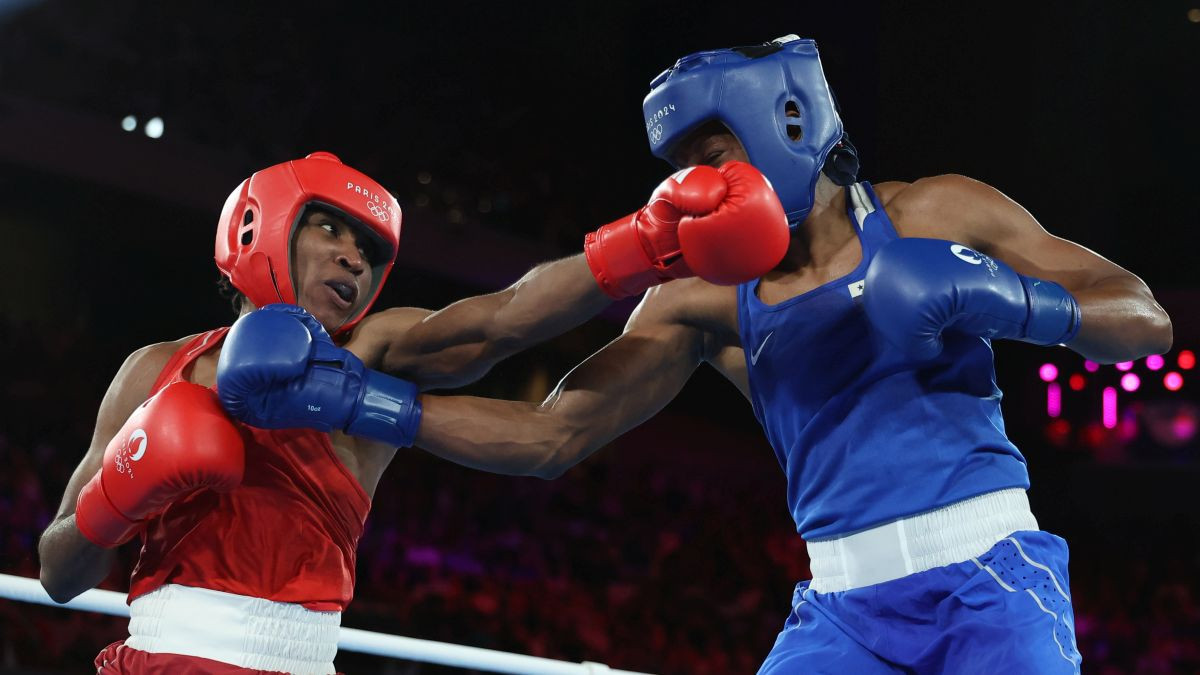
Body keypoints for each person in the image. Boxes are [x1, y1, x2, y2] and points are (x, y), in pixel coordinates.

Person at [236, 36, 1171, 673]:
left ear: (789, 123)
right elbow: (551, 434)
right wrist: (358, 400)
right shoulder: (697, 295)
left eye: (718, 147)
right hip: (842, 606)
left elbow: (1142, 317)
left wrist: (1005, 298)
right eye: (687, 158)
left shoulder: (936, 212)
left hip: (992, 575)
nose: (703, 178)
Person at [36, 150, 789, 673]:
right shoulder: (152, 370)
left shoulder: (371, 351)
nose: (353, 258)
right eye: (329, 228)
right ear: (258, 226)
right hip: (150, 659)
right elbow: (58, 570)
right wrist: (121, 494)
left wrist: (645, 242)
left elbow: (503, 320)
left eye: (367, 247)